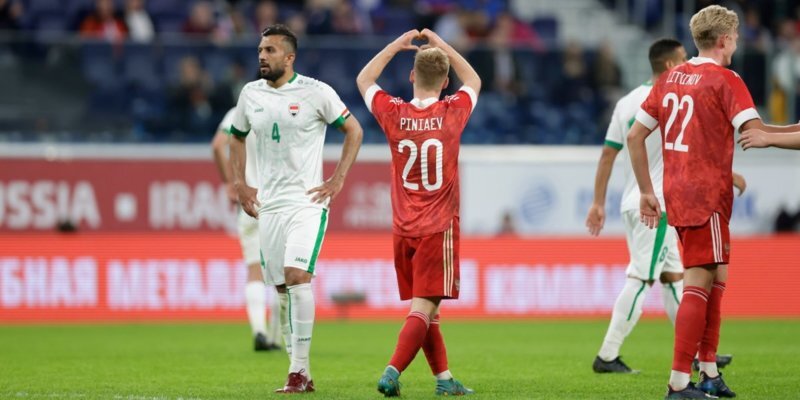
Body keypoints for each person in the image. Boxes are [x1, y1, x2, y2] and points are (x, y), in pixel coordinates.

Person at [628, 5, 800, 398]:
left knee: (716, 276)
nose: (736, 45)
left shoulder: (671, 78)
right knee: (699, 281)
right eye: (735, 38)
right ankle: (678, 382)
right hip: (706, 196)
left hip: (678, 192)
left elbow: (636, 136)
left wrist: (647, 191)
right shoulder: (726, 80)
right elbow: (756, 133)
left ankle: (708, 371)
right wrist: (786, 135)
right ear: (724, 39)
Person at [587, 38, 742, 374]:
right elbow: (690, 149)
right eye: (684, 58)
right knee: (641, 277)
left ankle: (697, 353)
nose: (688, 62)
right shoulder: (677, 96)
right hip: (658, 203)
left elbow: (608, 154)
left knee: (674, 278)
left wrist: (598, 202)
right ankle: (607, 355)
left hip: (635, 200)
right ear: (671, 65)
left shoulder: (626, 102)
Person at [229, 24, 363, 393]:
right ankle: (300, 372)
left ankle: (298, 371)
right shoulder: (250, 94)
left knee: (297, 275)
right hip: (268, 206)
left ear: (289, 57)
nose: (262, 56)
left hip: (307, 202)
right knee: (280, 288)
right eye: (260, 50)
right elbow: (236, 137)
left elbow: (354, 130)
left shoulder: (316, 92)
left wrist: (337, 179)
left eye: (270, 50)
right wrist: (240, 184)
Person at [356, 28, 480, 397]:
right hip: (438, 227)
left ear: (412, 76)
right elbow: (474, 79)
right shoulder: (453, 111)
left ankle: (444, 380)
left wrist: (395, 45)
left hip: (402, 227)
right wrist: (442, 45)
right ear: (445, 82)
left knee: (428, 310)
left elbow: (364, 79)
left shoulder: (393, 112)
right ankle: (391, 372)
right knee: (425, 307)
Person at [211, 107, 281, 352]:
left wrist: (231, 183)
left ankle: (259, 330)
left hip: (249, 201)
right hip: (279, 201)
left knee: (254, 271)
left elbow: (218, 145)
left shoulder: (238, 112)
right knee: (282, 274)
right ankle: (276, 338)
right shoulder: (282, 108)